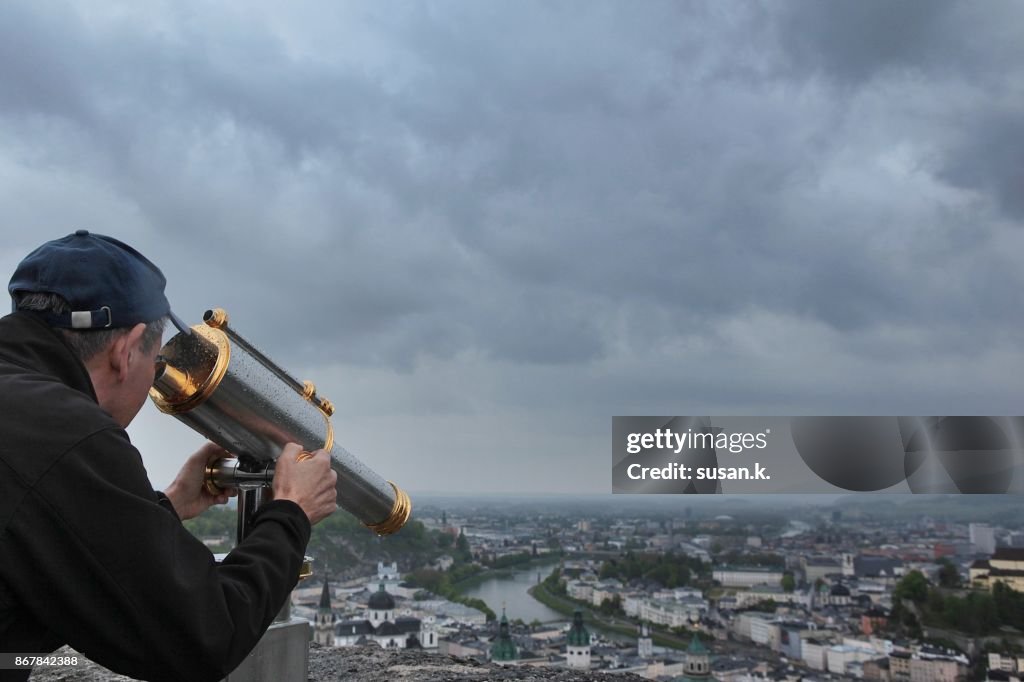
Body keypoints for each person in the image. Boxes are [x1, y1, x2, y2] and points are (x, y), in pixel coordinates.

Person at [0, 231, 338, 682]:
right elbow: (203, 637)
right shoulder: (63, 432)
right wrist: (291, 514)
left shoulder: (22, 410)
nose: (154, 379)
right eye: (157, 364)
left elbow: (50, 567)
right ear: (125, 351)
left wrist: (170, 504)